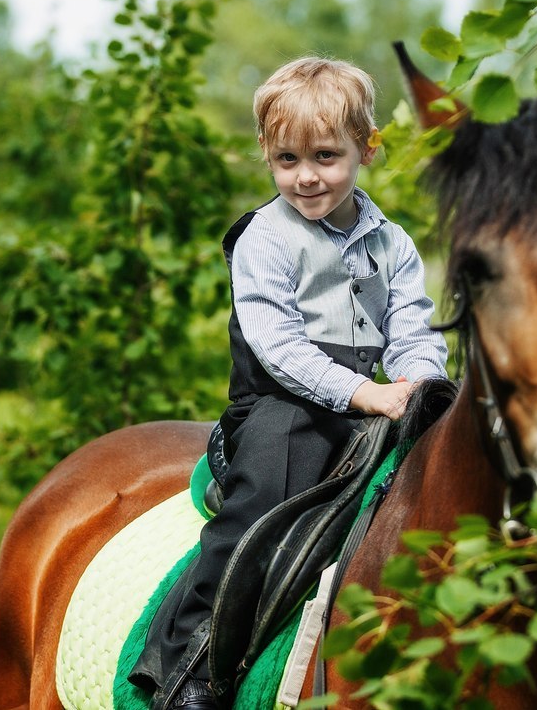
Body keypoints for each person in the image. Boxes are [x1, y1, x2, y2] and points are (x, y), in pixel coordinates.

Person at [130, 57, 448, 709]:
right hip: (281, 404)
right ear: (267, 155)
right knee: (261, 505)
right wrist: (368, 394)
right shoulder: (264, 239)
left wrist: (422, 382)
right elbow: (279, 348)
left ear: (366, 147)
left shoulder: (392, 243)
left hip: (371, 401)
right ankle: (189, 665)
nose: (306, 176)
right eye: (287, 159)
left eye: (326, 156)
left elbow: (412, 327)